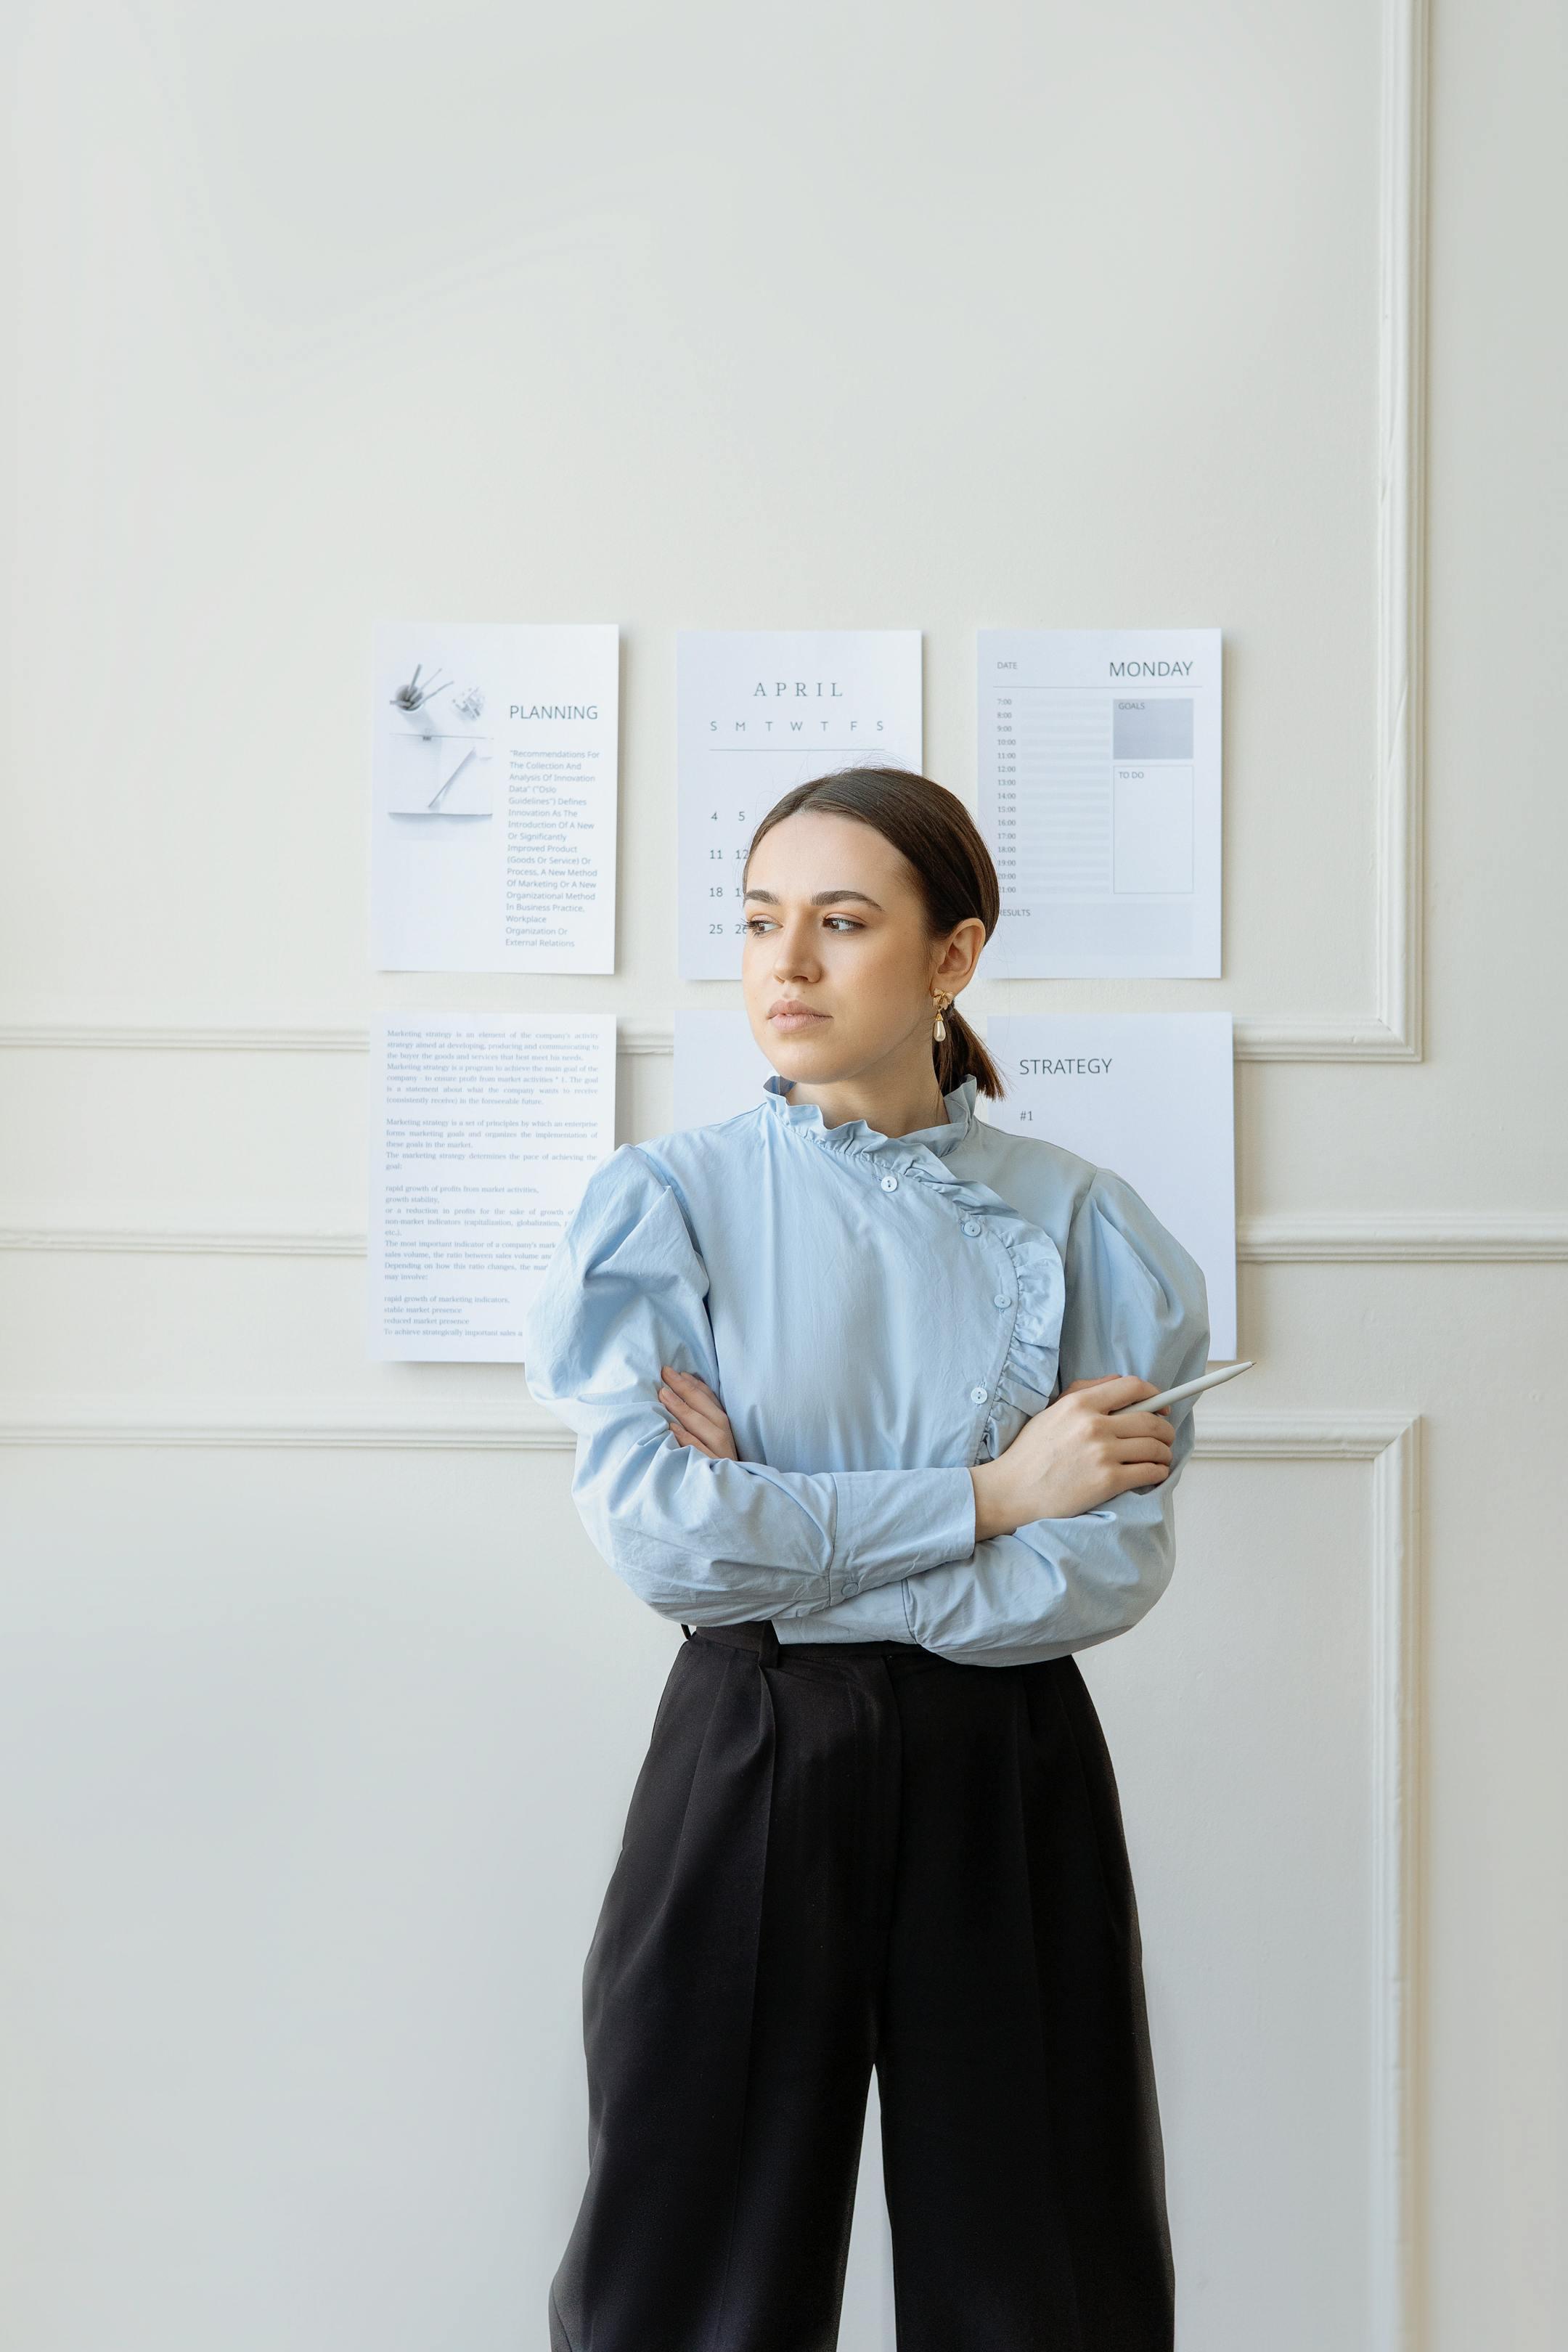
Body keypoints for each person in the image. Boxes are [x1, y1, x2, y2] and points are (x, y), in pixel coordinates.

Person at [526, 766, 1210, 2352]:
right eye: (762, 922)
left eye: (843, 924)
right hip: (751, 1749)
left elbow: (1104, 1571)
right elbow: (673, 1546)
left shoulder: (1089, 1222)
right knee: (687, 2272)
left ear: (951, 960)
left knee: (1045, 2264)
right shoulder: (668, 1204)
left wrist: (798, 1538)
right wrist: (992, 1492)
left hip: (1009, 1760)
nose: (788, 966)